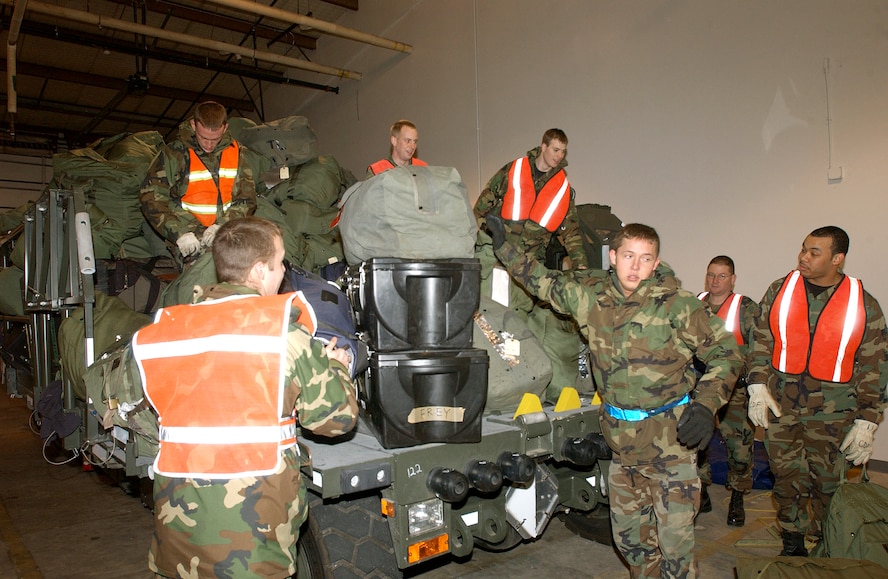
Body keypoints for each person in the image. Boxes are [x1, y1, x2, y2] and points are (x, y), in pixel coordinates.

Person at [488, 217, 741, 578]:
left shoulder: (677, 305)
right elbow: (542, 281)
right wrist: (504, 247)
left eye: (645, 258)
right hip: (622, 448)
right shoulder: (591, 298)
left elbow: (726, 352)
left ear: (656, 262)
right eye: (628, 256)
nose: (635, 266)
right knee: (631, 545)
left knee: (676, 551)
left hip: (671, 445)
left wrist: (705, 403)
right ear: (612, 257)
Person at [132, 216, 358, 578]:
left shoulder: (162, 332)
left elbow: (146, 416)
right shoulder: (285, 337)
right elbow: (335, 420)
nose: (284, 271)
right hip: (252, 543)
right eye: (280, 262)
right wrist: (337, 366)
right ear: (257, 271)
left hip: (177, 537)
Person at [747, 225, 888, 557]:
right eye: (803, 249)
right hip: (781, 406)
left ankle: (829, 539)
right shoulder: (780, 290)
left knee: (827, 483)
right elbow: (760, 341)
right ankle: (792, 539)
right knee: (785, 476)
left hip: (833, 414)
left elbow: (876, 366)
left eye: (814, 252)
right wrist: (756, 384)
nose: (803, 257)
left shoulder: (862, 304)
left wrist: (867, 421)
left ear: (837, 259)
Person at [474, 128, 589, 401]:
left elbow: (570, 232)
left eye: (563, 152)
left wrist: (581, 267)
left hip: (527, 264)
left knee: (518, 318)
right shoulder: (513, 171)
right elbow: (483, 204)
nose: (558, 157)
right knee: (489, 314)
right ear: (543, 146)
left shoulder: (561, 188)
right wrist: (475, 237)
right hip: (496, 255)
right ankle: (488, 380)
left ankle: (512, 379)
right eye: (555, 150)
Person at [140, 101, 257, 262]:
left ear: (225, 128)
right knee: (202, 277)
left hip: (227, 235)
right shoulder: (174, 154)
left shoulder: (236, 154)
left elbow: (246, 199)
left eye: (215, 139)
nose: (209, 145)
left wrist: (222, 225)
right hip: (190, 240)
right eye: (204, 137)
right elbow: (151, 198)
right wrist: (179, 233)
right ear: (193, 125)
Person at [694, 256, 758, 527]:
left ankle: (738, 497)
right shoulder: (695, 304)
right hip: (700, 388)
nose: (715, 281)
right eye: (711, 275)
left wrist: (757, 384)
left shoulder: (746, 308)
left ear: (733, 279)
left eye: (722, 276)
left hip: (735, 392)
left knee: (739, 447)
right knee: (698, 444)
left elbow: (759, 349)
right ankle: (703, 490)